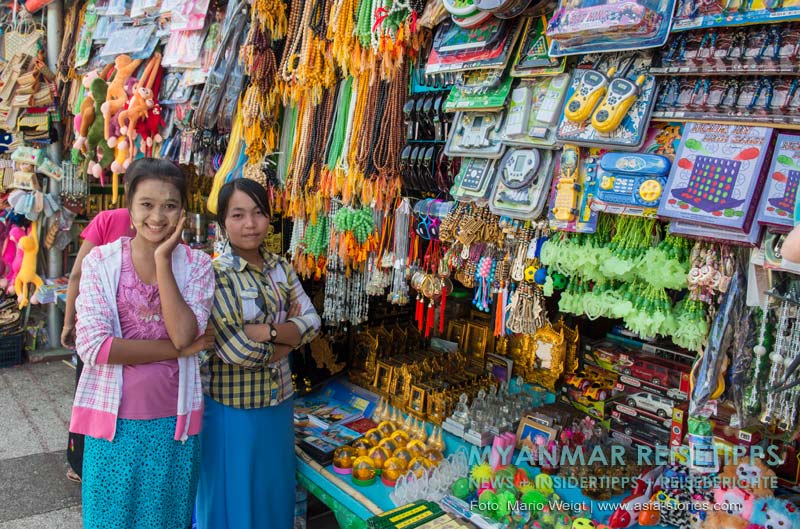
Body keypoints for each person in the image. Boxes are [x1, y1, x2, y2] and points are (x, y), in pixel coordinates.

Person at [69, 158, 215, 529]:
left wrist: (164, 259)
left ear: (183, 209)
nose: (158, 216)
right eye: (147, 204)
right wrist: (177, 350)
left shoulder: (197, 265)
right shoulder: (101, 261)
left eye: (170, 205)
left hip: (174, 430)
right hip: (113, 430)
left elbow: (185, 332)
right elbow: (96, 348)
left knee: (167, 522)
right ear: (130, 208)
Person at [197, 178, 321, 529]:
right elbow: (237, 350)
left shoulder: (280, 267)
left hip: (278, 407)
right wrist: (290, 338)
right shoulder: (215, 275)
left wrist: (266, 333)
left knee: (272, 498)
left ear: (269, 217)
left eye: (257, 213)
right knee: (231, 503)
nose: (250, 224)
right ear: (223, 222)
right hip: (232, 413)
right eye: (237, 215)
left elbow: (312, 320)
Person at [62, 206, 134, 483]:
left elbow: (77, 274)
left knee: (90, 395)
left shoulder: (108, 218)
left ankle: (80, 465)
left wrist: (69, 323)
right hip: (136, 335)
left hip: (100, 331)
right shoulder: (169, 222)